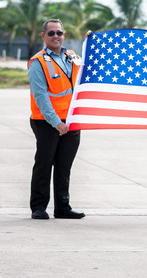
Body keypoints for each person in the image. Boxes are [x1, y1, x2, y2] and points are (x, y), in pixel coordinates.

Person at [28, 19, 88, 220]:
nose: (56, 36)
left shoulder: (72, 56)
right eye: (51, 33)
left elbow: (87, 68)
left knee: (64, 166)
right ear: (43, 36)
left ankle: (62, 207)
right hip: (47, 122)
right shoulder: (38, 62)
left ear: (64, 35)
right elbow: (40, 96)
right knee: (44, 164)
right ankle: (38, 207)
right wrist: (57, 123)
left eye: (59, 33)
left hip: (71, 120)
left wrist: (90, 43)